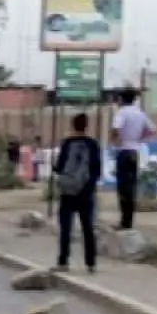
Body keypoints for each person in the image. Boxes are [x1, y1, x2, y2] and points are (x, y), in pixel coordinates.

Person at [52, 113, 102, 274]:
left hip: (67, 192)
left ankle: (63, 261)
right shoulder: (93, 144)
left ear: (72, 125)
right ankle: (91, 263)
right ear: (86, 125)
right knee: (87, 228)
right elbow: (97, 170)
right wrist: (89, 187)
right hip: (86, 192)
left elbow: (59, 166)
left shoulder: (67, 143)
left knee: (66, 228)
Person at [110, 88, 155, 229]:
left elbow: (115, 129)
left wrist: (115, 141)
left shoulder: (122, 112)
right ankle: (129, 220)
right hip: (135, 150)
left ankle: (124, 221)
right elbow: (152, 129)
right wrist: (139, 139)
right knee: (131, 186)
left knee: (123, 188)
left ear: (122, 99)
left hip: (123, 150)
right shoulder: (140, 113)